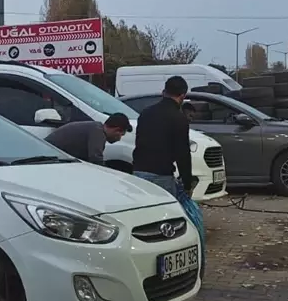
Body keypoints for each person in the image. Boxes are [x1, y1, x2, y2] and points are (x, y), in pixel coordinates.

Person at [133, 75, 205, 271]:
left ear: (163, 91)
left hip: (139, 173)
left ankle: (142, 262)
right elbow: (183, 154)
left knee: (142, 222)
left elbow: (140, 144)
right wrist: (187, 183)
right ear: (182, 95)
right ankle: (164, 265)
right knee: (165, 225)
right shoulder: (178, 118)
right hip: (161, 176)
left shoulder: (145, 113)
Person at [44, 113, 132, 164]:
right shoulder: (98, 132)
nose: (119, 139)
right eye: (121, 135)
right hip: (47, 156)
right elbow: (96, 160)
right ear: (116, 130)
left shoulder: (95, 128)